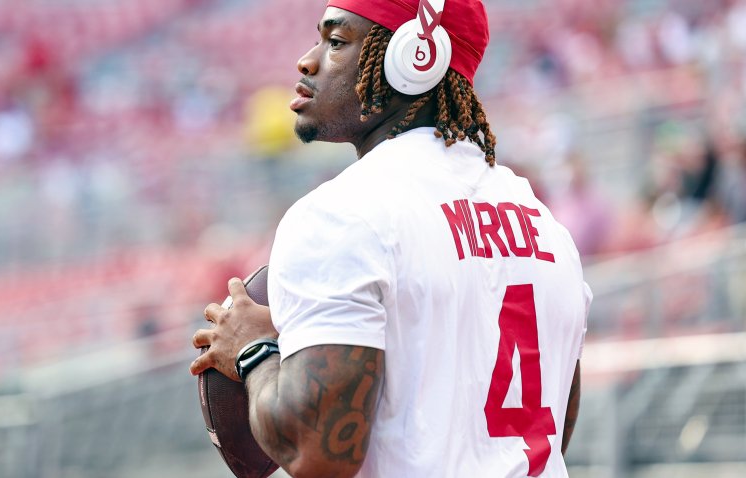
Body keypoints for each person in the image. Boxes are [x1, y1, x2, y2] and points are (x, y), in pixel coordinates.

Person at [190, 1, 591, 477]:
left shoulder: (341, 214)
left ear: (412, 60)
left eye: (335, 42)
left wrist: (254, 351)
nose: (307, 60)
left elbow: (318, 455)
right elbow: (550, 428)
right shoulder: (545, 224)